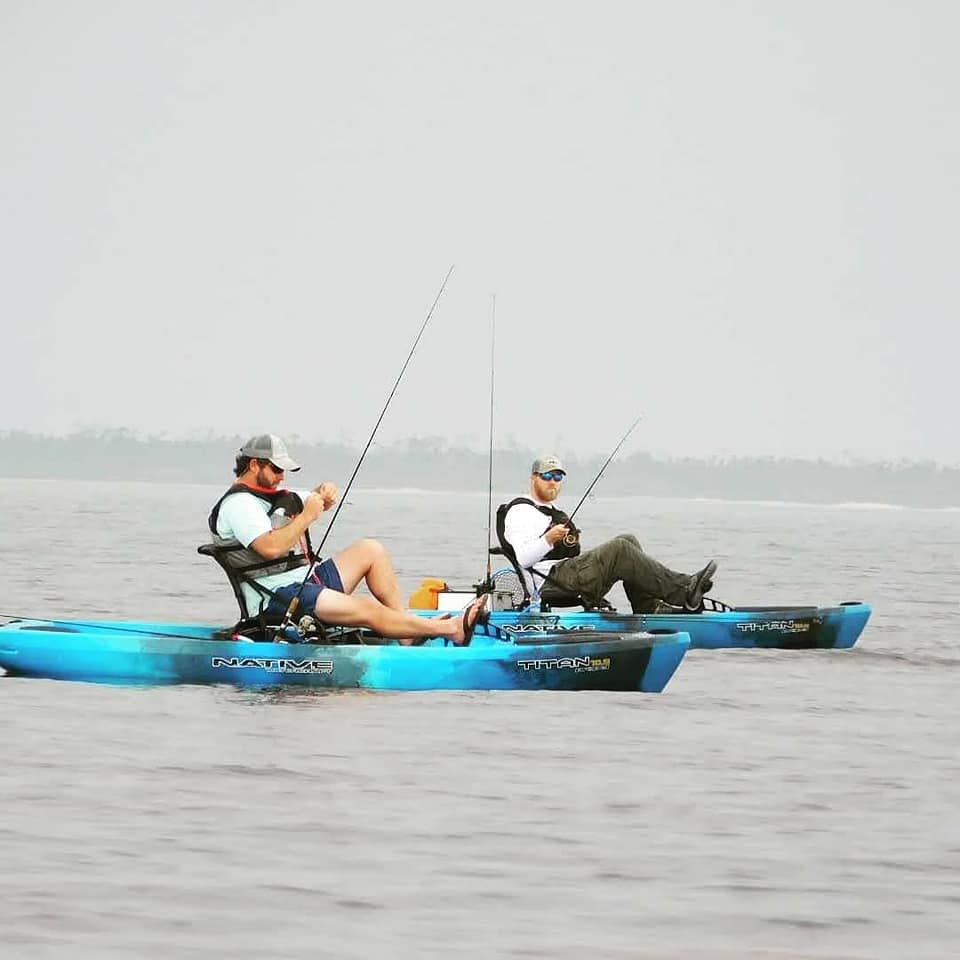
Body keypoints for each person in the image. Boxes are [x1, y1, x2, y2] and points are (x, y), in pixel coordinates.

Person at [208, 434, 484, 644]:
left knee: (371, 550)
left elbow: (313, 502)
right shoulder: (239, 506)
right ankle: (449, 629)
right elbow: (270, 548)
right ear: (254, 465)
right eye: (276, 469)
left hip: (306, 580)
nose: (282, 476)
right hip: (278, 598)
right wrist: (307, 517)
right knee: (366, 608)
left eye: (284, 471)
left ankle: (405, 631)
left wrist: (323, 492)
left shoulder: (270, 493)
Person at [499, 455, 717, 614]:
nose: (553, 482)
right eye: (547, 475)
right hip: (550, 582)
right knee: (620, 550)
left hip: (568, 572)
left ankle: (648, 607)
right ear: (533, 478)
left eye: (557, 477)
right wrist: (549, 539)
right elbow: (524, 558)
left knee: (627, 540)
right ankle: (685, 590)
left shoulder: (552, 511)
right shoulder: (521, 511)